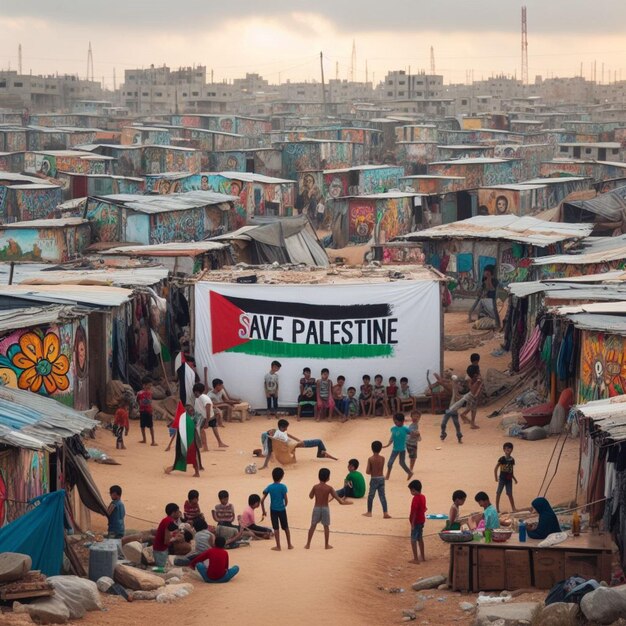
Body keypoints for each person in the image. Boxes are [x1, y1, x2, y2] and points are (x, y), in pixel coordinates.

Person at [304, 468, 351, 550]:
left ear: (319, 477)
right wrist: (349, 503)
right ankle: (326, 545)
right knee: (326, 526)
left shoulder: (315, 487)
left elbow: (310, 496)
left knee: (312, 526)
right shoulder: (329, 488)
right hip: (325, 508)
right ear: (328, 478)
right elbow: (340, 501)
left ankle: (308, 544)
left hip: (317, 508)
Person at [261, 467, 293, 551]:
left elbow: (262, 499)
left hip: (273, 510)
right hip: (282, 509)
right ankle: (289, 544)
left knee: (276, 528)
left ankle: (278, 546)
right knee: (286, 527)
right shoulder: (283, 487)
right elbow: (286, 499)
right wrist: (285, 505)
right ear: (282, 477)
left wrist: (263, 511)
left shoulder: (270, 487)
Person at [193, 383, 228, 448]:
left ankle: (205, 446)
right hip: (205, 416)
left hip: (207, 417)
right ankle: (220, 443)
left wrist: (206, 422)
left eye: (195, 393)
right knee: (214, 427)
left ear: (197, 392)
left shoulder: (205, 399)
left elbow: (208, 411)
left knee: (201, 430)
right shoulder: (198, 397)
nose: (194, 394)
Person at [363, 441, 391, 519]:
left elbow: (367, 471)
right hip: (381, 478)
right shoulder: (382, 458)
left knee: (371, 496)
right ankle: (385, 512)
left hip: (374, 478)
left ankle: (369, 512)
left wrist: (372, 470)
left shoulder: (370, 459)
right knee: (382, 496)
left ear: (372, 448)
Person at [384, 413, 413, 481]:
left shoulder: (406, 428)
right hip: (395, 449)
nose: (395, 423)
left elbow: (411, 434)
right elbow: (392, 437)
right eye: (394, 421)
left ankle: (409, 472)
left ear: (402, 421)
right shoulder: (393, 428)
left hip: (402, 449)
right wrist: (388, 444)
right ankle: (388, 474)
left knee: (401, 463)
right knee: (390, 463)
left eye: (396, 422)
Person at [153, 503, 182, 568]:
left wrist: (173, 534)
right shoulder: (169, 522)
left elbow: (166, 534)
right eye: (177, 511)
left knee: (161, 567)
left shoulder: (167, 520)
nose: (179, 513)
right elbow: (166, 541)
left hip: (159, 549)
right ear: (173, 512)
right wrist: (175, 538)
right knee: (160, 569)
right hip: (160, 550)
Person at [495, 442, 517, 512]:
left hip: (509, 479)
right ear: (504, 449)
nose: (508, 450)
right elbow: (496, 468)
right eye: (506, 448)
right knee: (498, 493)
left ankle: (513, 508)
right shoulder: (502, 459)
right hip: (502, 479)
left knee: (510, 494)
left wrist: (514, 479)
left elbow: (511, 471)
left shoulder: (512, 460)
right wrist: (496, 477)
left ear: (512, 450)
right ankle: (497, 509)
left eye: (509, 448)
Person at [459, 365, 483, 429]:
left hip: (470, 395)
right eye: (479, 370)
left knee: (470, 407)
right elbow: (477, 389)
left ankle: (463, 415)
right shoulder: (478, 380)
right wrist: (477, 395)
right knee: (474, 410)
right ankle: (472, 424)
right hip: (473, 396)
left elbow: (471, 387)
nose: (480, 371)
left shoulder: (472, 379)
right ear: (476, 374)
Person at [408, 479, 427, 564]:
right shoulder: (423, 497)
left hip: (416, 522)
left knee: (413, 539)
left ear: (414, 490)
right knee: (420, 538)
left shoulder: (415, 498)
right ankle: (422, 557)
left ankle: (415, 558)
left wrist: (412, 523)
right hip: (421, 520)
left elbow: (414, 512)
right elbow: (424, 508)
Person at [137, 377, 157, 446]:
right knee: (142, 426)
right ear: (144, 385)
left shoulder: (150, 393)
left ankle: (153, 441)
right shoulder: (139, 393)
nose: (150, 386)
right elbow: (138, 401)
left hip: (148, 411)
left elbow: (150, 402)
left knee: (151, 426)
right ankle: (144, 439)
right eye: (149, 385)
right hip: (143, 411)